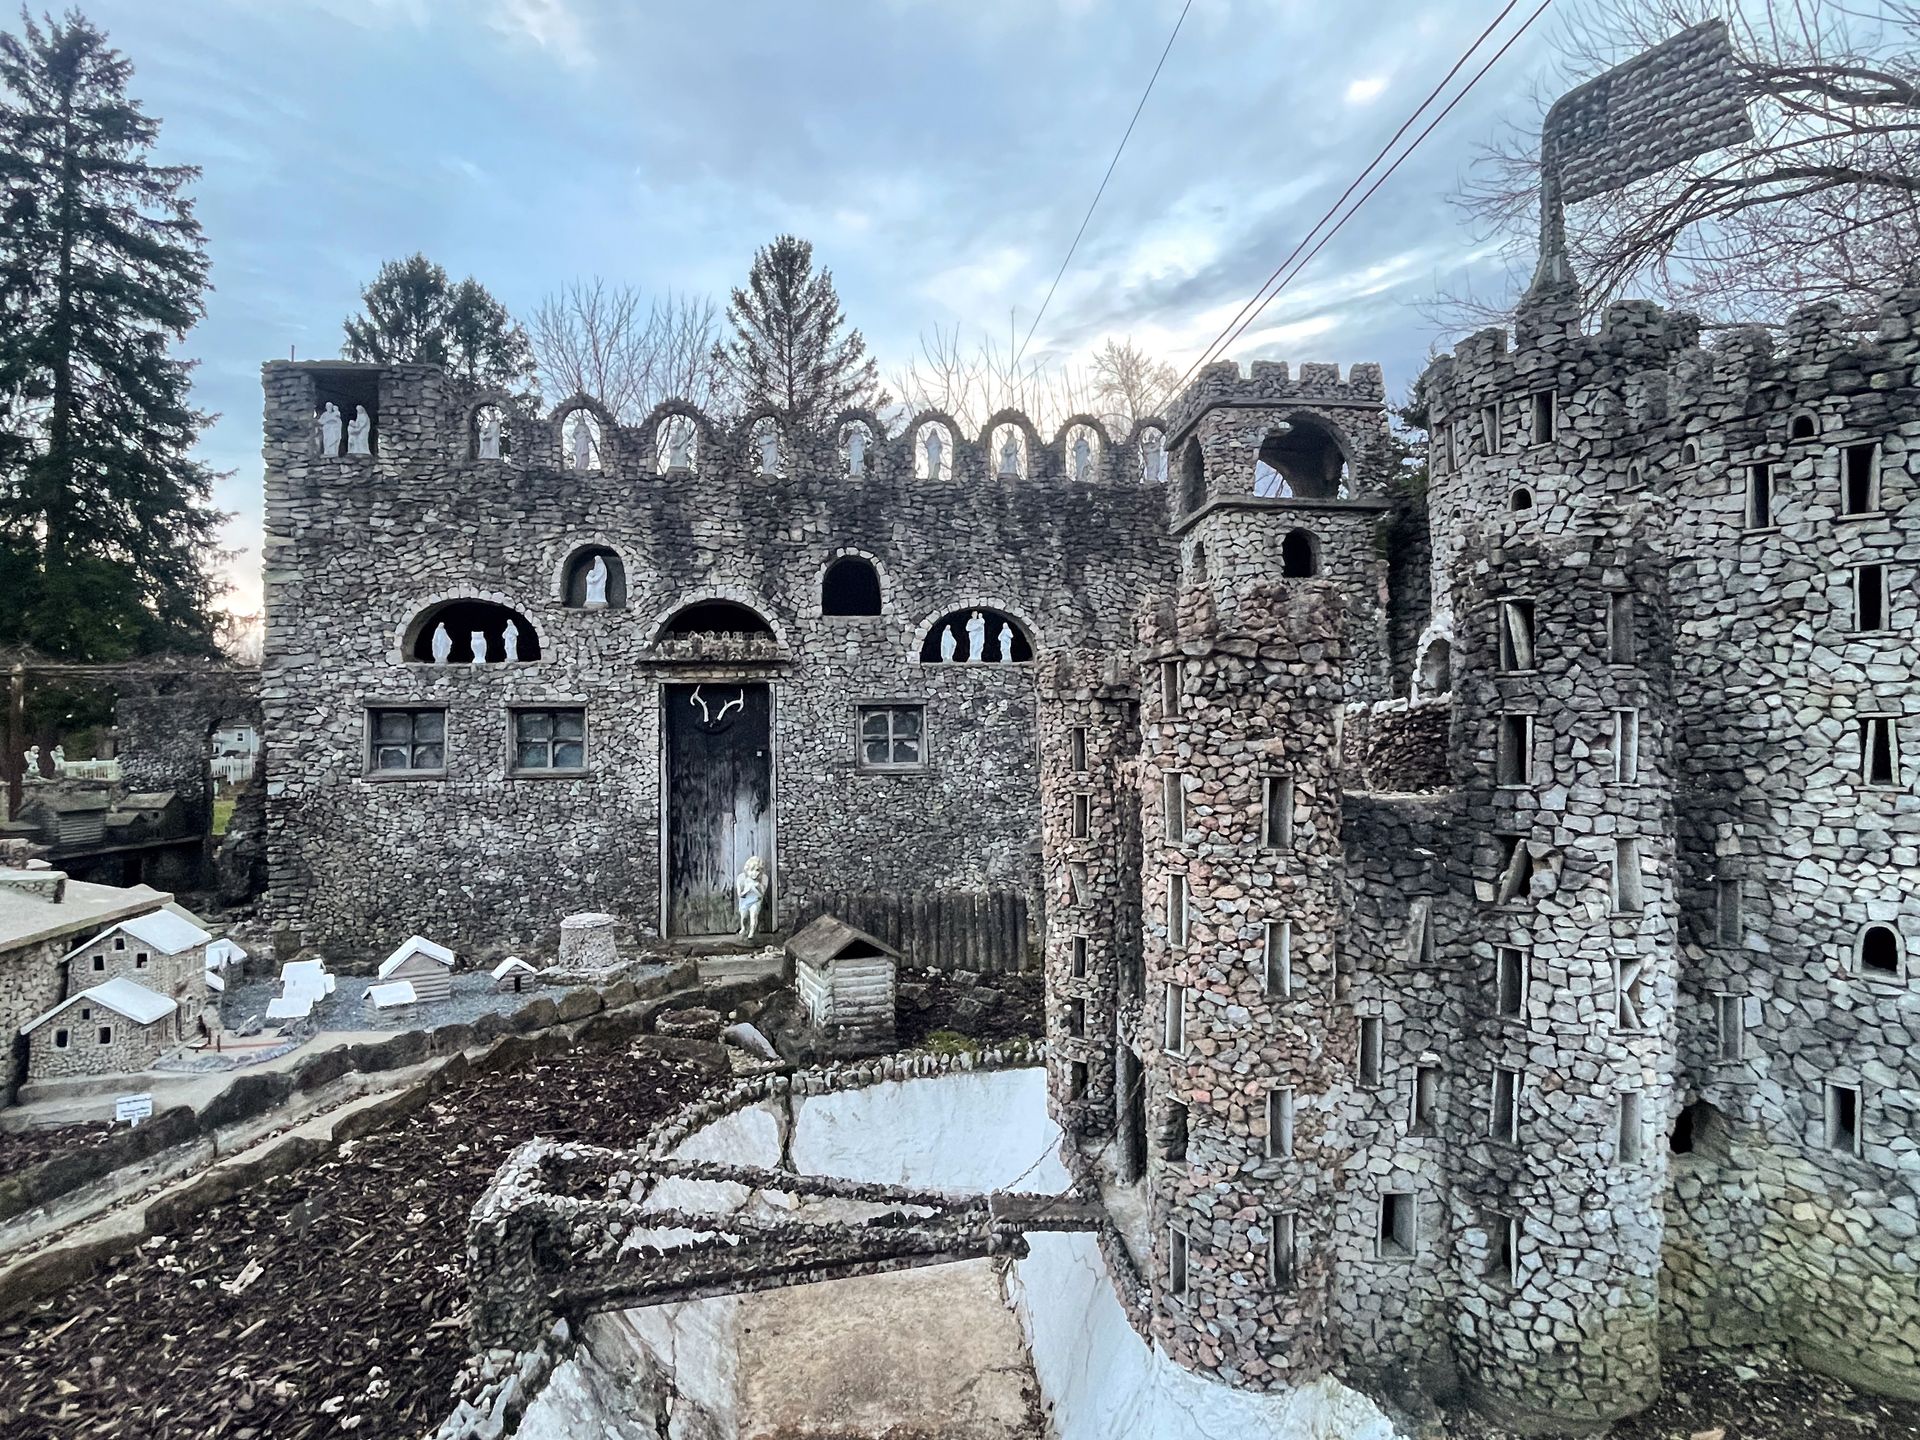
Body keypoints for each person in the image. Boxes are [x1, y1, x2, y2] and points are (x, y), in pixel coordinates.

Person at [736, 856, 768, 941]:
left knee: (753, 916)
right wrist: (747, 890)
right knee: (744, 917)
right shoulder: (742, 879)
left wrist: (756, 887)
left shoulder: (762, 880)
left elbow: (761, 895)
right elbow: (740, 894)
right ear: (747, 871)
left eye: (757, 870)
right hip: (745, 901)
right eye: (751, 870)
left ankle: (752, 932)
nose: (754, 873)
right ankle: (743, 927)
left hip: (755, 901)